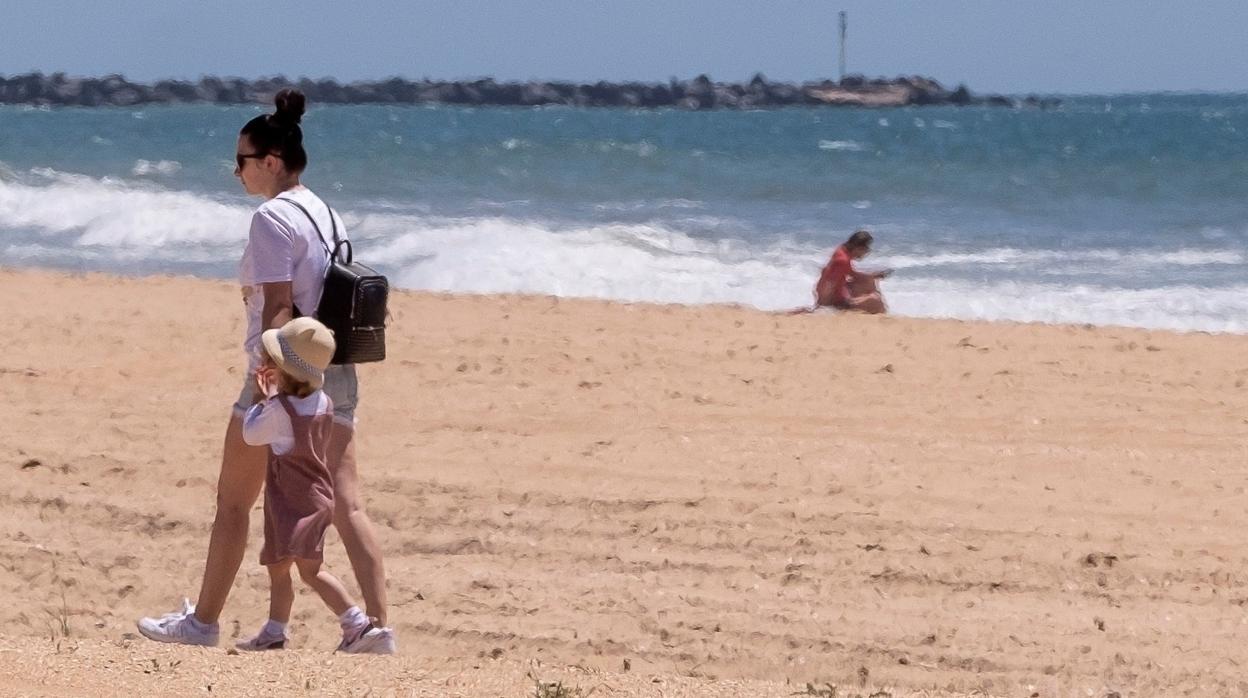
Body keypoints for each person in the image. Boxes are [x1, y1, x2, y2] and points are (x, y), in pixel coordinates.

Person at [137, 89, 392, 650]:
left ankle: (202, 623)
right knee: (348, 502)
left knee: (234, 499)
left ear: (271, 161)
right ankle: (378, 627)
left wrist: (267, 381)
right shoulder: (325, 210)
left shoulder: (271, 218)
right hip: (338, 366)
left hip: (288, 371)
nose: (236, 172)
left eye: (243, 160)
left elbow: (278, 305)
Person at [233, 317, 391, 653]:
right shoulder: (322, 404)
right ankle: (275, 629)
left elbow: (251, 434)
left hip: (293, 500)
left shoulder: (279, 411)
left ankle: (357, 624)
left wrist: (261, 398)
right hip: (314, 496)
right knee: (277, 564)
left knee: (309, 571)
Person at [812, 229, 889, 314]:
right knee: (875, 300)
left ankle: (879, 314)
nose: (866, 253)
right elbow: (829, 283)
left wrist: (873, 276)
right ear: (859, 248)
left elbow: (850, 273)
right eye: (866, 250)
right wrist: (822, 305)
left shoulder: (842, 250)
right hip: (836, 302)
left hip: (841, 292)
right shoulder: (842, 260)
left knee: (868, 281)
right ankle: (884, 318)